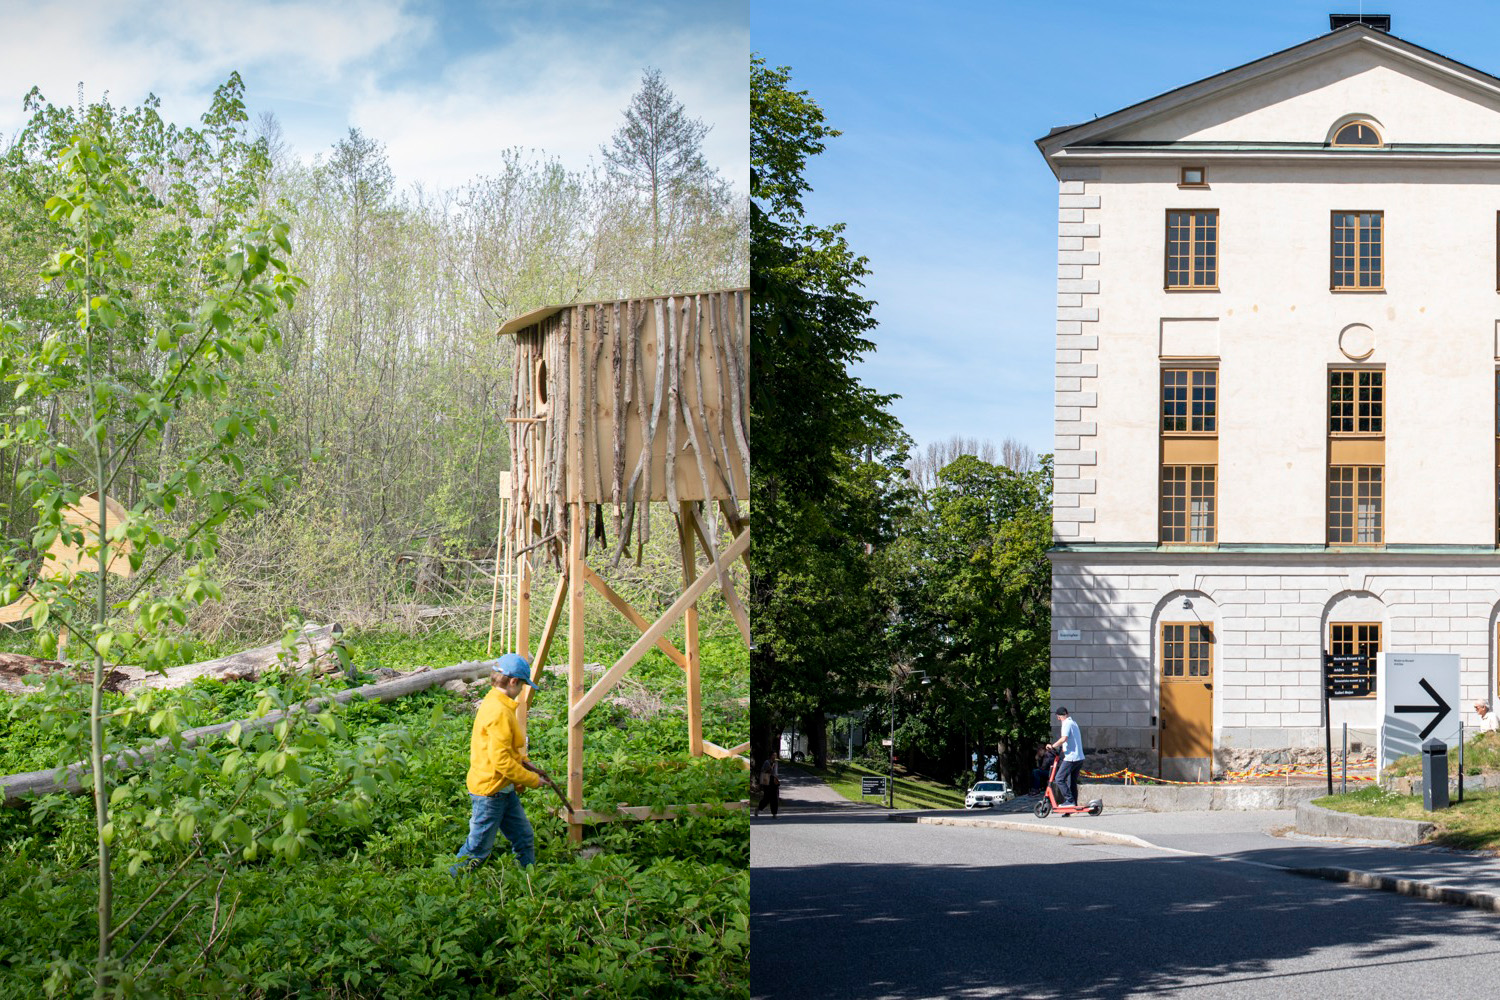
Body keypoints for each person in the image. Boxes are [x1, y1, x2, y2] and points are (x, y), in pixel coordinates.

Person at [450, 653, 554, 874]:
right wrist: (532, 780)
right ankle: (452, 882)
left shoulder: (497, 702)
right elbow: (502, 761)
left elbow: (505, 750)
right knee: (477, 849)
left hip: (503, 790)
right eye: (523, 685)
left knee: (523, 837)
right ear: (514, 681)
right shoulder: (499, 711)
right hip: (491, 792)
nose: (522, 690)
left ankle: (529, 879)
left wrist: (525, 763)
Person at [1047, 706, 1085, 806]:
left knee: (1059, 779)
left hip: (1071, 758)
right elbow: (1071, 741)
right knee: (1072, 783)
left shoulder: (1066, 723)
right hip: (1079, 758)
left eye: (1058, 718)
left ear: (1059, 717)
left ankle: (1069, 800)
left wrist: (1052, 746)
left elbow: (1064, 738)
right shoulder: (1073, 723)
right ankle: (1074, 805)